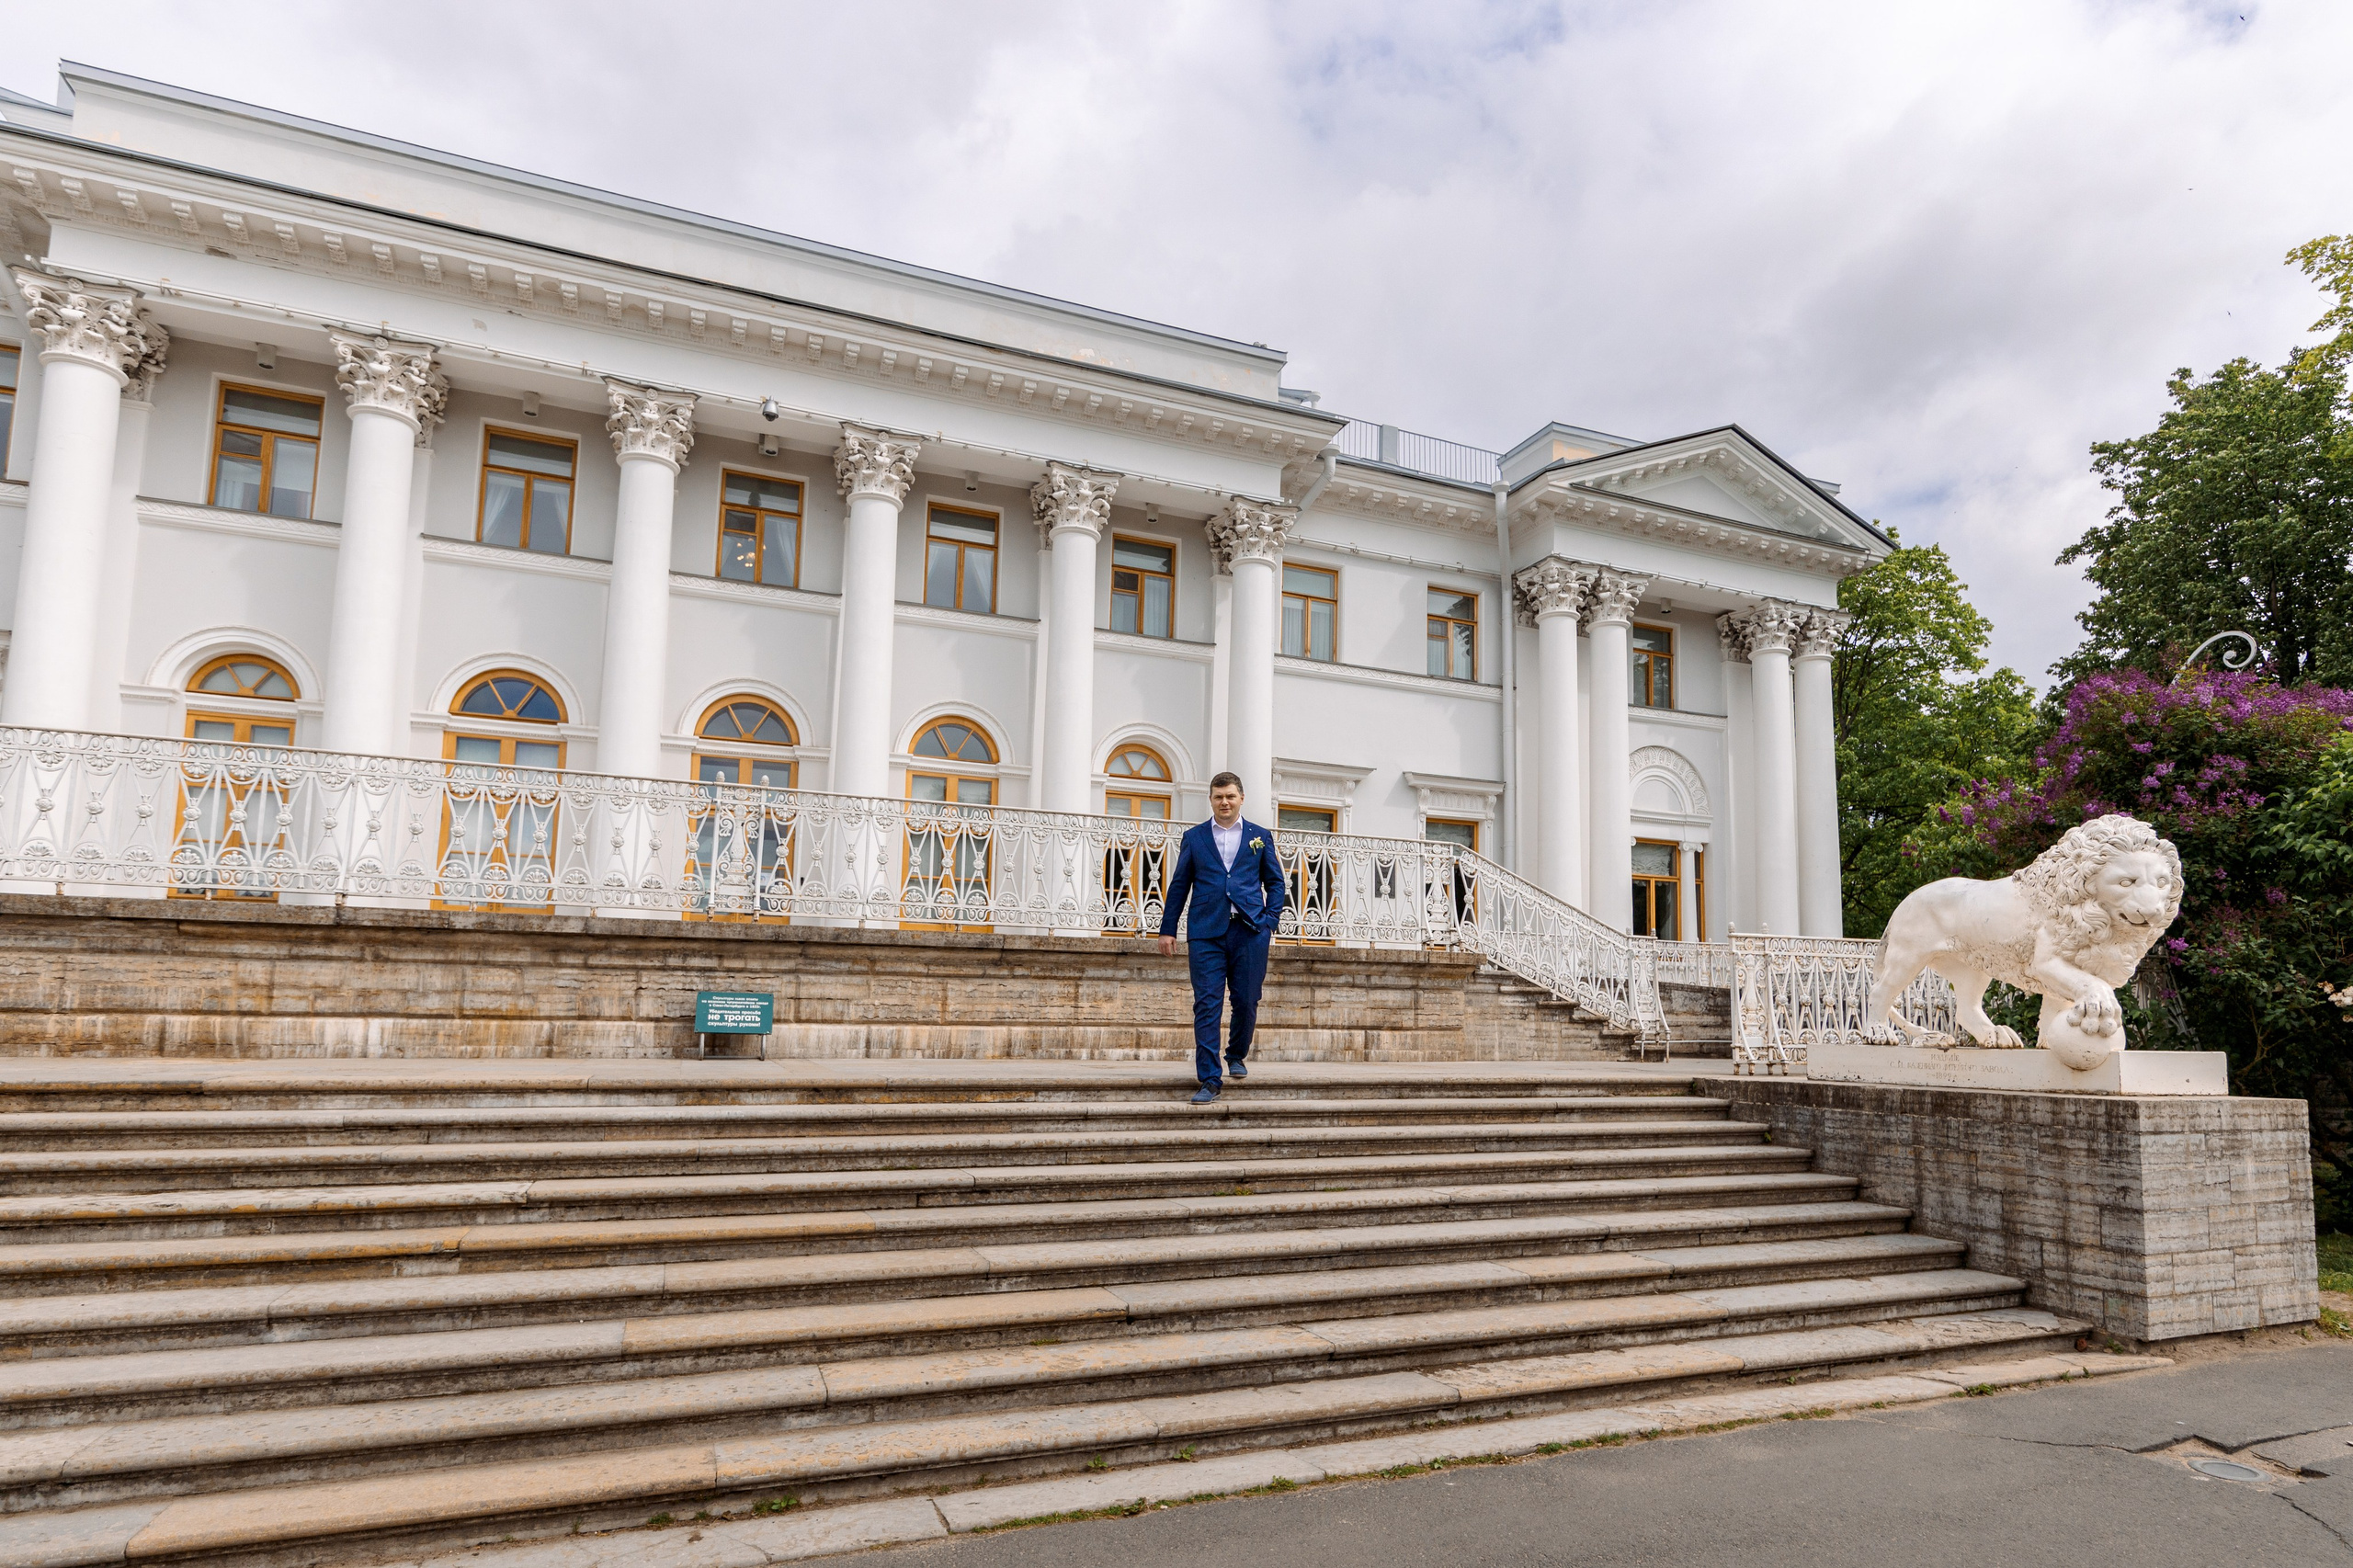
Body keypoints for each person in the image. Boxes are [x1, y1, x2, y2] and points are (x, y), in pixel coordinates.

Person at [1156, 771, 1287, 1103]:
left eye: (1230, 796)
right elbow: (1179, 885)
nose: (1224, 802)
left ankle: (1236, 1054)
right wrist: (1168, 928)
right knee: (1207, 1005)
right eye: (1218, 797)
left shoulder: (1260, 836)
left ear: (1241, 798)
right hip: (1205, 932)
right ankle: (1210, 1079)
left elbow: (1276, 883)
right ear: (1211, 800)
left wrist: (1270, 920)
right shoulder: (1195, 837)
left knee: (1246, 999)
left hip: (1250, 931)